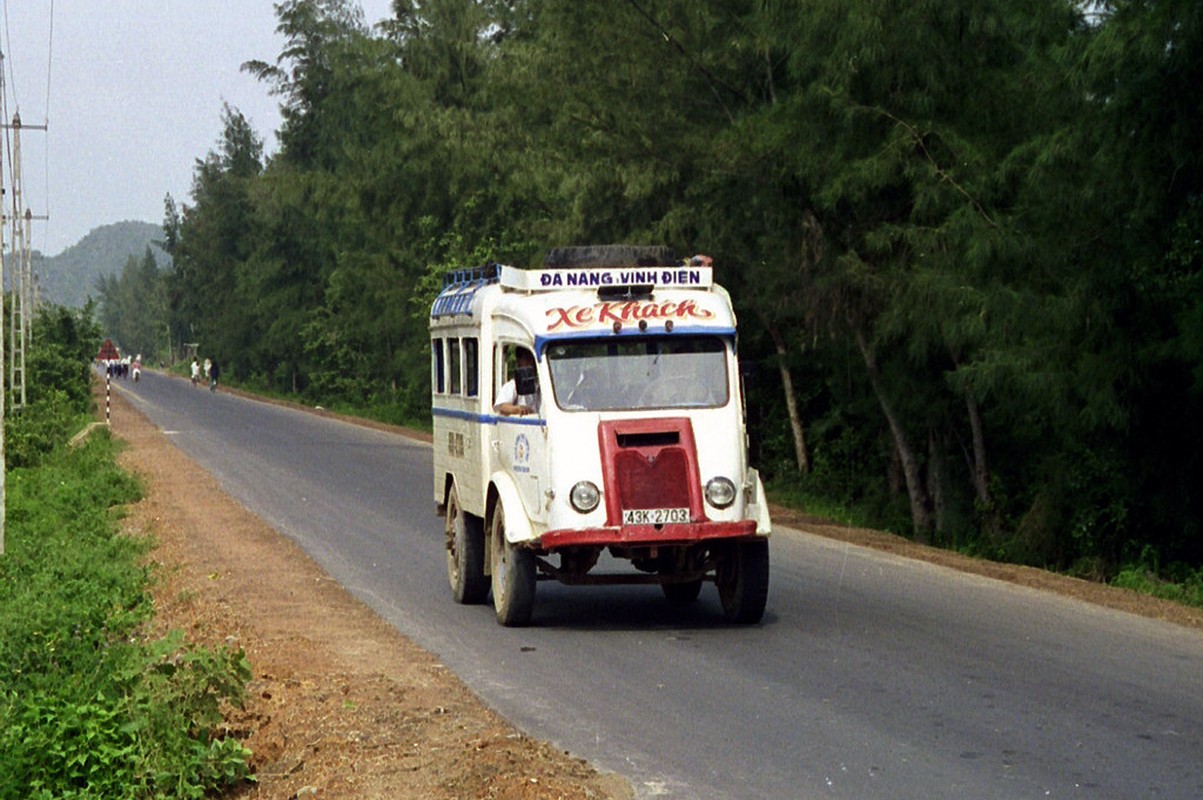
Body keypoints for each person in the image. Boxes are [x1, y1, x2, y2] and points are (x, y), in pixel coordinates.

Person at [494, 347, 540, 416]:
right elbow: (502, 407)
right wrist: (518, 409)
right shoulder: (513, 385)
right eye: (526, 359)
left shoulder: (541, 385)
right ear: (519, 361)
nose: (530, 363)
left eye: (532, 359)